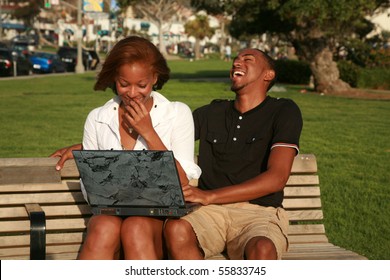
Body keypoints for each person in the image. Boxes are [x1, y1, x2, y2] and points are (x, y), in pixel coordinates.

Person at [50, 36, 201, 260]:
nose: (132, 93)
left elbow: (182, 183)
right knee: (103, 227)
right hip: (110, 214)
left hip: (158, 218)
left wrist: (148, 132)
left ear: (155, 79)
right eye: (124, 84)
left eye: (142, 85)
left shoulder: (177, 113)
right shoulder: (98, 118)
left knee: (135, 226)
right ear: (114, 79)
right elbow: (91, 189)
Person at [163, 48, 303, 260]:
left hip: (258, 213)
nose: (237, 63)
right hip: (209, 213)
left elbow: (277, 178)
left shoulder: (283, 111)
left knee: (263, 249)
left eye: (248, 59)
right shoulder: (210, 113)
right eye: (235, 59)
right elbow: (164, 142)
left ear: (268, 74)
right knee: (176, 230)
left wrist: (209, 195)